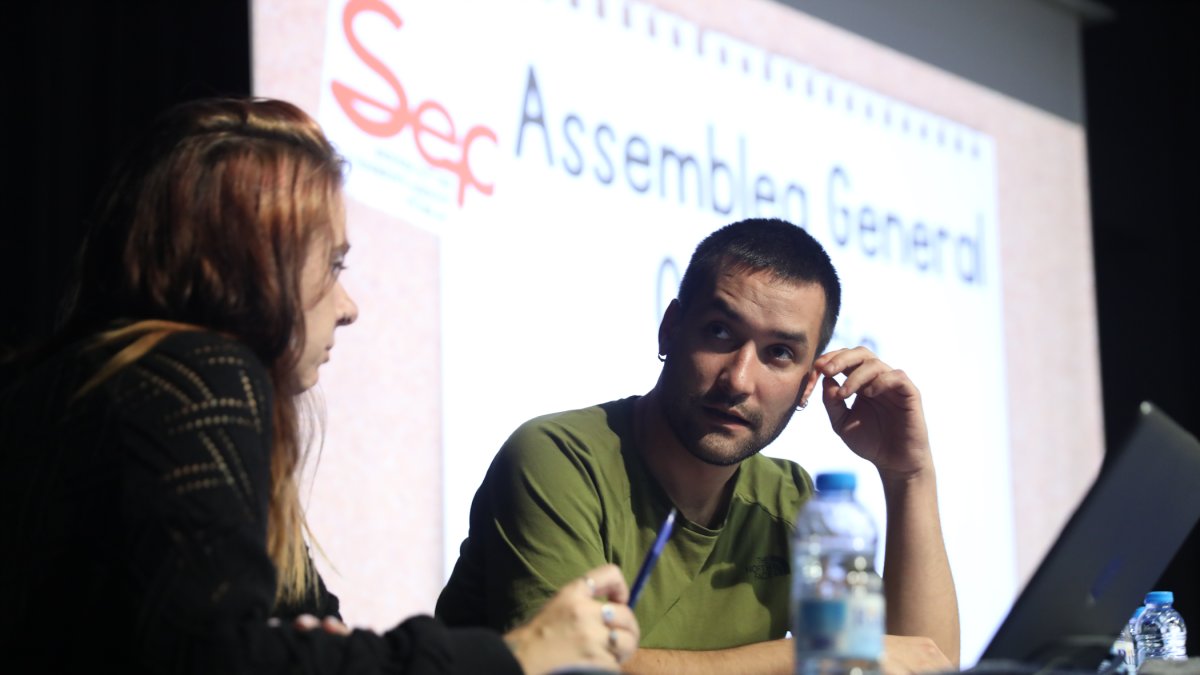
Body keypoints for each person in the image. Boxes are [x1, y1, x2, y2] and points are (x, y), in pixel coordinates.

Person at [0, 97, 638, 674]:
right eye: (332, 263)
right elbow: (219, 655)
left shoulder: (67, 385)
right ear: (250, 264)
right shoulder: (199, 374)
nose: (349, 304)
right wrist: (517, 653)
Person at [436, 218, 959, 674]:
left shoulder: (790, 502)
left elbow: (919, 662)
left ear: (806, 386)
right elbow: (565, 668)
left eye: (778, 353)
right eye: (719, 332)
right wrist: (809, 659)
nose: (738, 378)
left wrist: (908, 476)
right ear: (670, 330)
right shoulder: (557, 458)